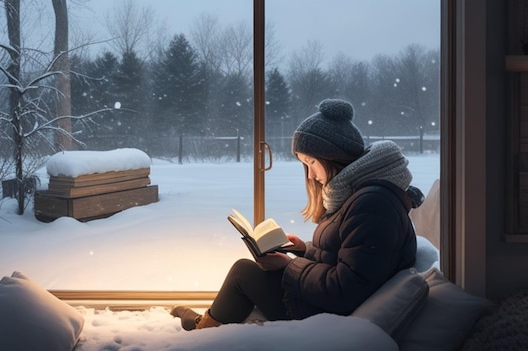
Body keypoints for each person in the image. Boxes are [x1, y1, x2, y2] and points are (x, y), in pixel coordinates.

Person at [171, 98, 422, 330]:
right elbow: (344, 257)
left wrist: (291, 265)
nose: (311, 175)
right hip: (321, 302)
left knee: (243, 273)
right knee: (250, 273)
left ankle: (203, 330)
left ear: (333, 157)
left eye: (311, 162)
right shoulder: (361, 196)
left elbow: (347, 288)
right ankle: (209, 322)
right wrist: (304, 250)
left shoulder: (373, 205)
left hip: (324, 314)